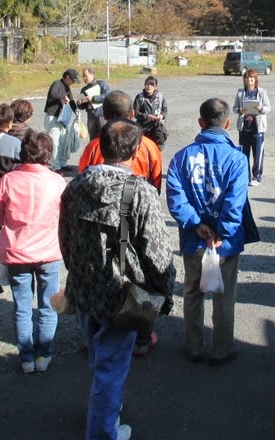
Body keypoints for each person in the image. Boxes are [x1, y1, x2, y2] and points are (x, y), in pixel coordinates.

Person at [59, 120, 175, 440]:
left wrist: (76, 273)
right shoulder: (140, 193)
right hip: (121, 294)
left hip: (83, 288)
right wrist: (164, 293)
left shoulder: (75, 185)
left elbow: (65, 238)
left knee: (99, 360)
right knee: (110, 370)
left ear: (101, 146)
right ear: (136, 150)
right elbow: (158, 253)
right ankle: (102, 431)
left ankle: (106, 410)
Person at [166, 98, 259, 365]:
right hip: (225, 244)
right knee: (224, 294)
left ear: (200, 122)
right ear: (228, 124)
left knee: (192, 291)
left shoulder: (182, 157)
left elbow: (175, 198)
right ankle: (221, 349)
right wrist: (224, 232)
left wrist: (197, 224)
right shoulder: (237, 159)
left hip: (195, 238)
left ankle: (194, 347)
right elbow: (235, 201)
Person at [0, 130, 66, 373]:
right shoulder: (56, 181)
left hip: (17, 251)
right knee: (48, 304)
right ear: (48, 156)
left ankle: (26, 358)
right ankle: (44, 355)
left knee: (22, 305)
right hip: (48, 251)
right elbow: (64, 216)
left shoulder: (8, 180)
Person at [78, 91, 163, 194]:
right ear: (132, 114)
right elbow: (155, 185)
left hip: (99, 202)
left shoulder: (94, 146)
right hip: (139, 201)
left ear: (104, 115)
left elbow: (83, 178)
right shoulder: (148, 146)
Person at [232, 68, 271, 186]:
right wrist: (240, 110)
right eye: (247, 78)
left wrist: (261, 108)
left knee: (258, 153)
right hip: (244, 128)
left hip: (258, 127)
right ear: (244, 80)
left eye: (251, 78)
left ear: (255, 80)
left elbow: (268, 108)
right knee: (244, 154)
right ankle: (245, 176)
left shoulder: (262, 92)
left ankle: (256, 176)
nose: (249, 80)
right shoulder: (240, 92)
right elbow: (234, 108)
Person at [43, 69, 80, 171]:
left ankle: (62, 163)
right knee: (54, 142)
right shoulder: (57, 83)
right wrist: (64, 97)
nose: (73, 83)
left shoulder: (67, 87)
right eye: (73, 80)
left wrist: (76, 111)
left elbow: (71, 100)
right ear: (67, 77)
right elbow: (53, 94)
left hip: (62, 118)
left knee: (63, 140)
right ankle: (55, 166)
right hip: (52, 116)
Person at [133, 76, 168, 150]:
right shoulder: (139, 97)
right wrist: (146, 116)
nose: (149, 87)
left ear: (155, 87)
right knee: (137, 142)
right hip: (142, 126)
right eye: (147, 84)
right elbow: (135, 113)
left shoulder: (161, 97)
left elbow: (165, 110)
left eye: (152, 85)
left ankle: (157, 154)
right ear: (144, 85)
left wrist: (161, 116)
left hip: (156, 126)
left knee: (160, 136)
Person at [77, 67, 111, 139]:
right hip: (91, 116)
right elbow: (82, 107)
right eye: (83, 76)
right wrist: (80, 103)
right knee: (92, 139)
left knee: (104, 138)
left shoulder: (101, 84)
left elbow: (107, 96)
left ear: (92, 75)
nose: (84, 78)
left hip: (102, 116)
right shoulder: (84, 89)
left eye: (85, 76)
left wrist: (93, 98)